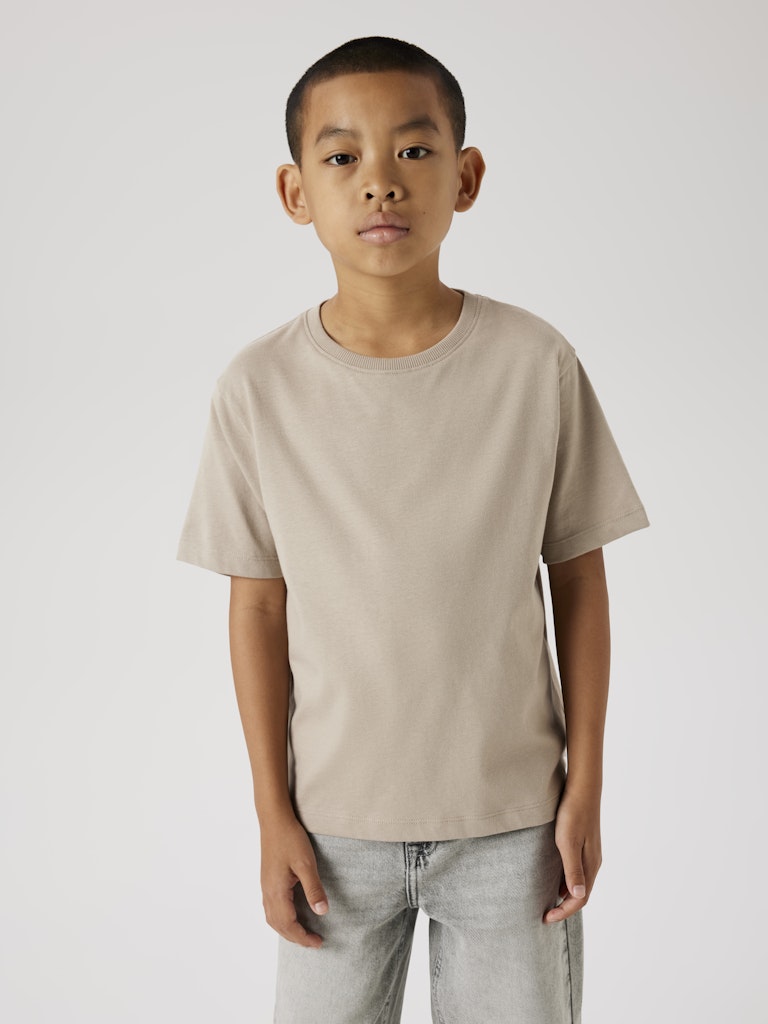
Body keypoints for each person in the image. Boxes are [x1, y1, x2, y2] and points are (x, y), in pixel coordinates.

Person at [176, 35, 649, 1024]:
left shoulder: (534, 364)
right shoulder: (258, 388)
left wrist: (586, 786)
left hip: (512, 825)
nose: (380, 181)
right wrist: (272, 814)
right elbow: (257, 607)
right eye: (343, 156)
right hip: (331, 830)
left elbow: (579, 577)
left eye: (415, 150)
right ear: (296, 191)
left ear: (466, 177)